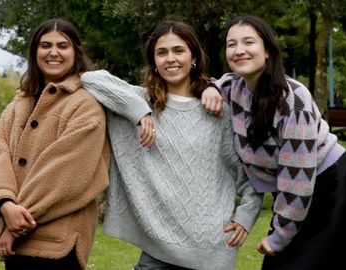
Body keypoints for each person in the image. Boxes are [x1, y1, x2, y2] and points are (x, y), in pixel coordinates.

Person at [81, 20, 263, 270]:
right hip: (157, 253)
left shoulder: (218, 108)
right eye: (162, 52)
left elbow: (249, 174)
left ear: (194, 58)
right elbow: (91, 79)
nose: (170, 58)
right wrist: (140, 112)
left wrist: (246, 215)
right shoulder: (138, 102)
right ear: (153, 61)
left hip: (212, 252)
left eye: (179, 50)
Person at [202, 15, 346, 269]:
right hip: (293, 192)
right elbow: (209, 83)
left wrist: (279, 237)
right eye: (232, 44)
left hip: (333, 187)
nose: (239, 50)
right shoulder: (233, 88)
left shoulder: (293, 100)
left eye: (249, 42)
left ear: (267, 51)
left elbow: (297, 180)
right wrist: (209, 88)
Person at [0, 18, 110, 270]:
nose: (53, 52)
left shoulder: (86, 105)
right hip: (17, 244)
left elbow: (66, 175)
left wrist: (14, 226)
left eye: (63, 46)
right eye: (45, 45)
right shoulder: (19, 103)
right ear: (34, 52)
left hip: (58, 245)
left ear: (75, 53)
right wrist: (4, 203)